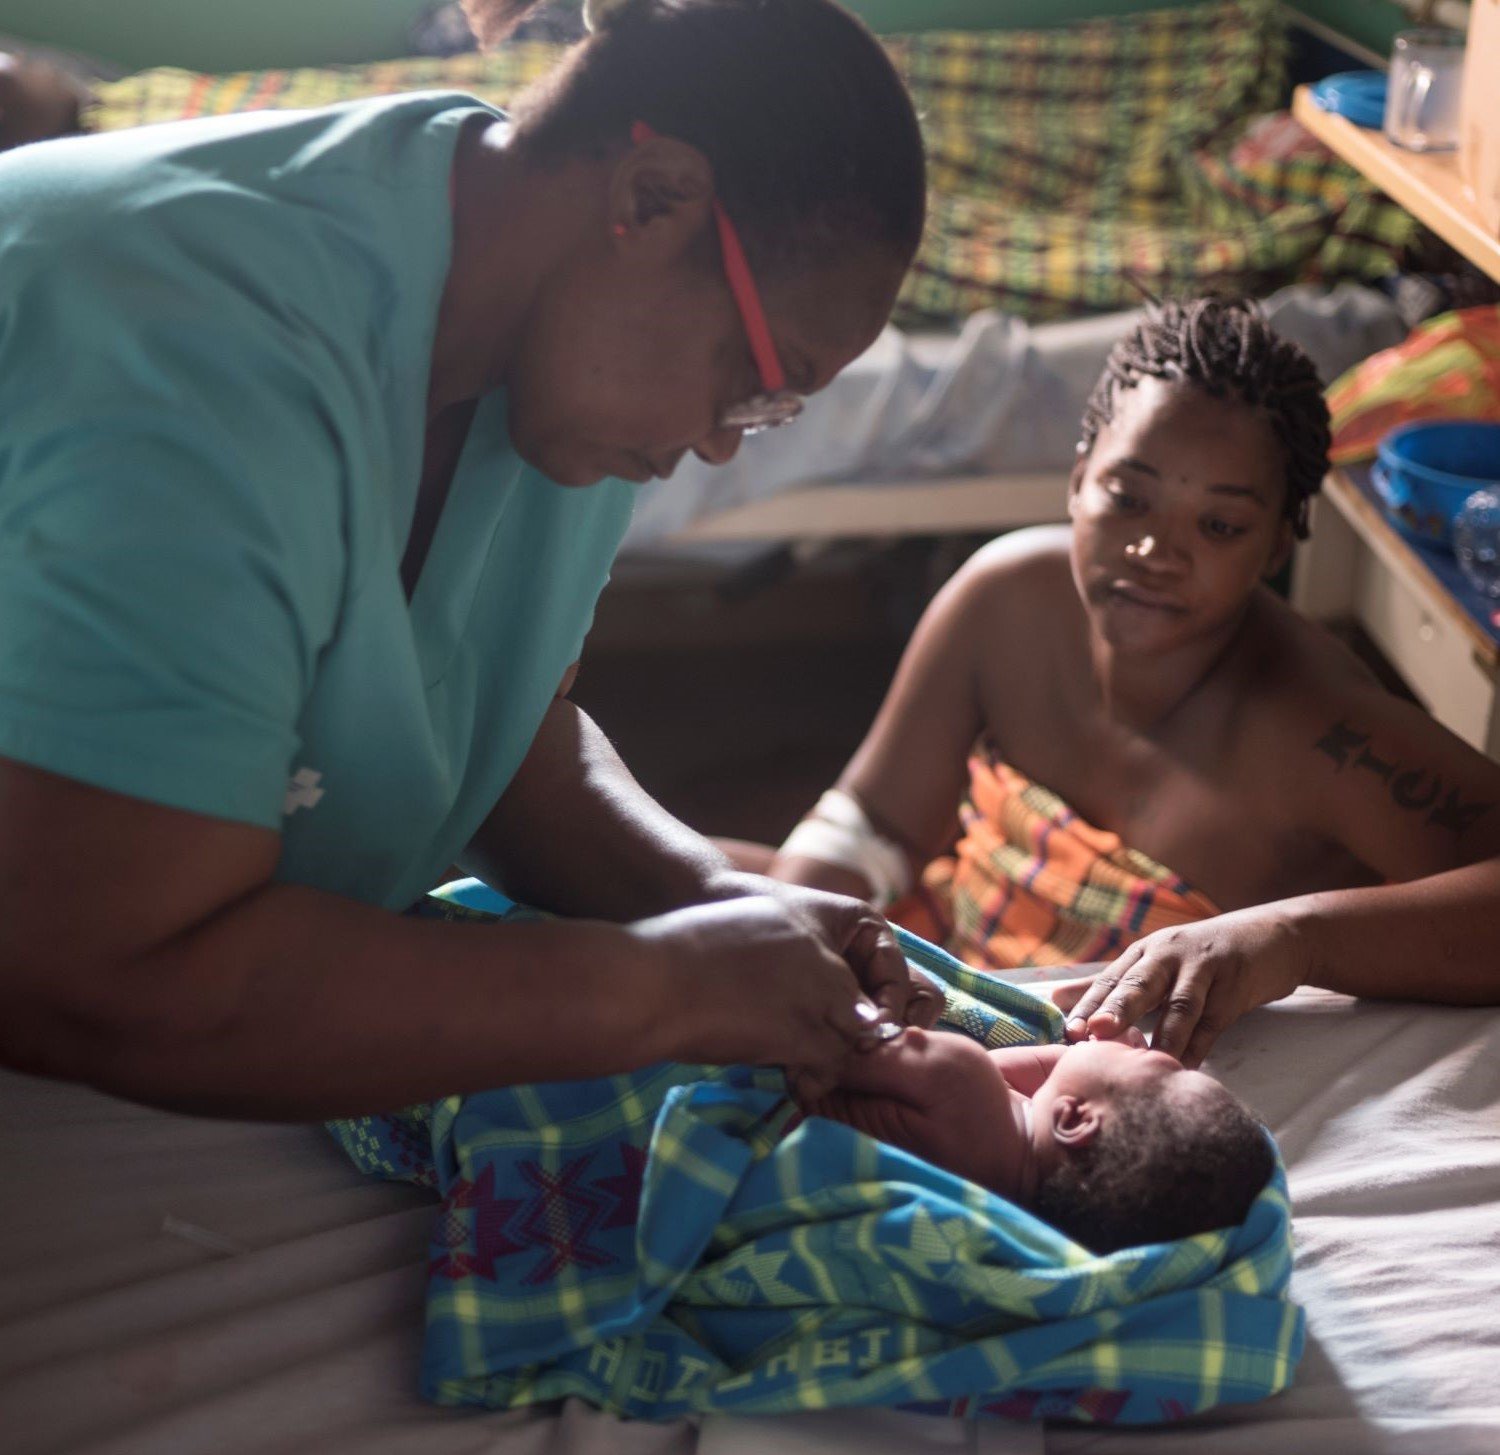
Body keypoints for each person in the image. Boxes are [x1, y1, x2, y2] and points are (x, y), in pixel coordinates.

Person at [0, 0, 942, 1119]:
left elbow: (508, 748)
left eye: (773, 411)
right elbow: (109, 975)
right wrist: (654, 989)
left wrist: (722, 903)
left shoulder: (552, 361)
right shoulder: (203, 356)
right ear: (654, 200)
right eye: (758, 376)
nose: (721, 438)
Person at [752, 298, 1500, 1065]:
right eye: (1128, 497)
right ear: (1079, 479)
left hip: (1069, 1079)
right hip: (932, 973)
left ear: (1276, 546)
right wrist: (803, 942)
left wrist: (1289, 937)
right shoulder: (1005, 601)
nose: (1153, 549)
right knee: (687, 901)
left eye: (1219, 527)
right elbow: (876, 820)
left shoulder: (1323, 734)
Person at [810, 1028, 1275, 1253]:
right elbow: (1022, 1090)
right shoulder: (1014, 1219)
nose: (1147, 1047)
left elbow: (831, 1031)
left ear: (1073, 1119)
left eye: (1152, 1062)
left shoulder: (960, 1079)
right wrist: (1080, 1065)